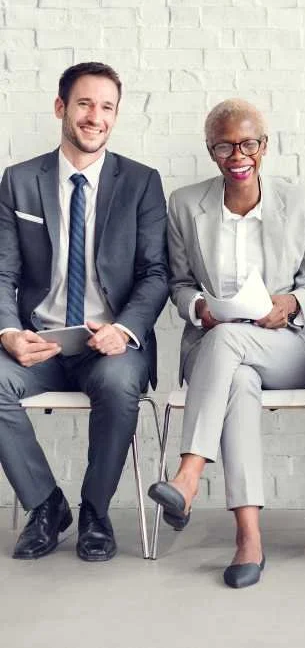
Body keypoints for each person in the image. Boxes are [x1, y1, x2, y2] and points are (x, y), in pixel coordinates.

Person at [146, 99, 305, 588]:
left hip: (287, 346)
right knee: (238, 381)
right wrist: (197, 307)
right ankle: (249, 538)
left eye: (249, 143)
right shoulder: (186, 205)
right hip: (220, 351)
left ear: (264, 146)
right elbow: (179, 283)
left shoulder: (301, 201)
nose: (238, 154)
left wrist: (287, 303)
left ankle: (187, 476)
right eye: (224, 145)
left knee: (229, 345)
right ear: (211, 151)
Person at [0, 62, 168, 561]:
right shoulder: (20, 180)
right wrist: (8, 331)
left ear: (115, 116)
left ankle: (96, 510)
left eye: (107, 107)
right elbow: (2, 273)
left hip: (109, 345)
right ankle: (46, 505)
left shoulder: (140, 182)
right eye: (85, 104)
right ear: (61, 108)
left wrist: (125, 329)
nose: (95, 116)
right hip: (42, 342)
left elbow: (155, 273)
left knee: (119, 386)